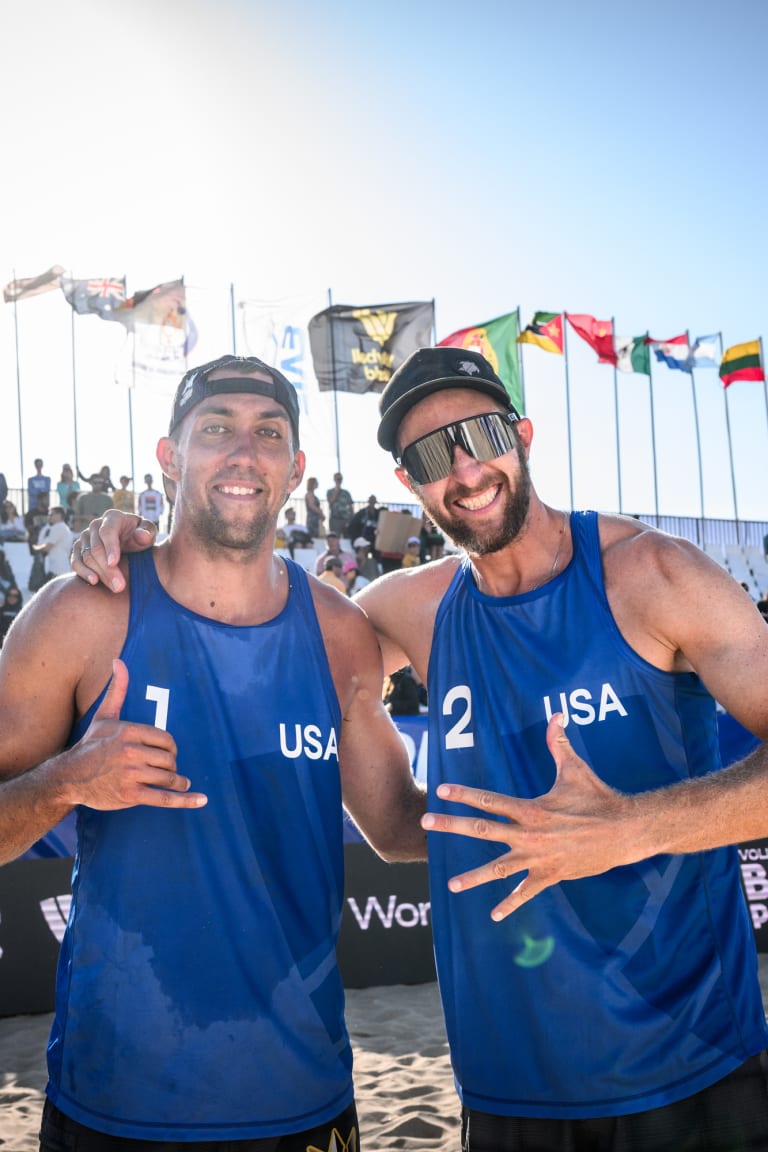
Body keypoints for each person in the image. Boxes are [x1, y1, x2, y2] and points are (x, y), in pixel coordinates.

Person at [71, 346, 768, 1150]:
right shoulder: (404, 610)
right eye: (432, 455)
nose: (466, 469)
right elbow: (261, 619)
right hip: (509, 1090)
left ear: (524, 434)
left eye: (480, 434)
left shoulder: (649, 574)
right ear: (410, 482)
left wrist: (621, 832)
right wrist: (130, 541)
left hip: (693, 1063)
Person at [0, 353, 425, 1149]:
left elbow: (400, 828)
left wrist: (547, 812)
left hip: (306, 1092)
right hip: (116, 1102)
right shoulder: (82, 614)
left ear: (296, 470)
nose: (243, 452)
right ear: (169, 456)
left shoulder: (338, 634)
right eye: (215, 429)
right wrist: (64, 781)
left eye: (268, 433)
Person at [33, 505, 74, 579]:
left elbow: (47, 547)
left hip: (57, 569)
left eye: (51, 514)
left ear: (59, 515)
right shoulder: (60, 527)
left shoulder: (59, 527)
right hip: (59, 567)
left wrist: (36, 548)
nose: (49, 517)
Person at [326, 471, 354, 540]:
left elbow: (350, 506)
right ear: (334, 480)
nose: (339, 480)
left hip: (346, 519)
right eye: (337, 479)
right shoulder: (330, 491)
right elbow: (331, 502)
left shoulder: (346, 492)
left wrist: (352, 518)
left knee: (348, 537)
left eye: (340, 479)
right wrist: (336, 490)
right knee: (335, 538)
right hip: (335, 519)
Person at [304, 475, 326, 539]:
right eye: (316, 483)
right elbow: (312, 505)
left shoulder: (311, 494)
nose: (317, 484)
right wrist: (321, 513)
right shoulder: (309, 494)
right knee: (314, 536)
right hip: (313, 519)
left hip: (315, 518)